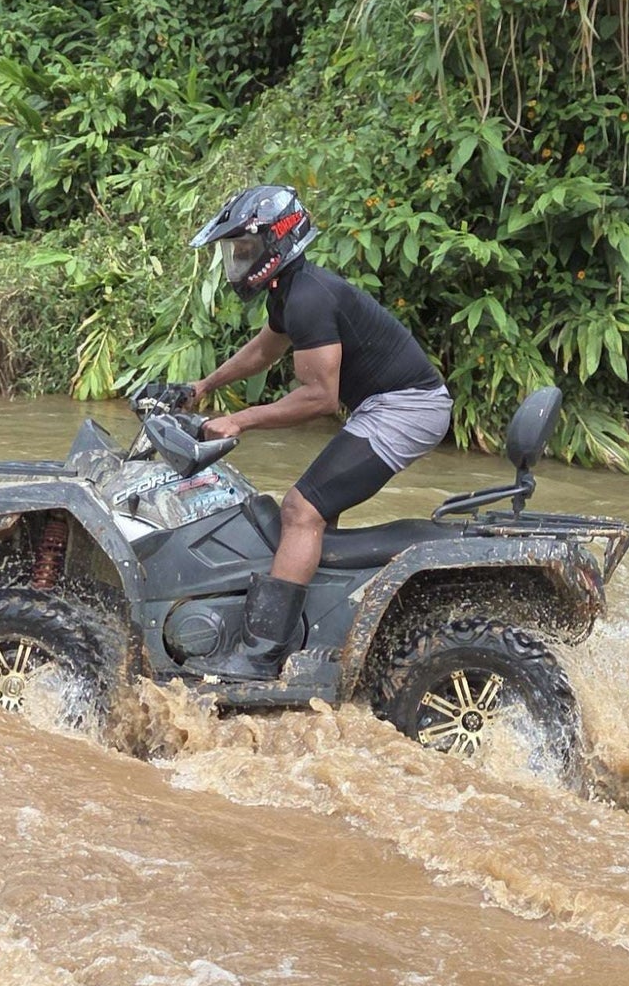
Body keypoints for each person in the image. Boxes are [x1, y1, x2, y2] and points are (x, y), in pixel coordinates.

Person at [185, 184, 452, 681]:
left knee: (300, 509)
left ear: (277, 243)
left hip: (405, 408)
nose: (238, 261)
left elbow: (319, 398)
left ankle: (263, 652)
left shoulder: (309, 297)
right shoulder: (290, 291)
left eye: (245, 249)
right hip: (386, 405)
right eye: (234, 252)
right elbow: (264, 351)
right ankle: (316, 620)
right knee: (316, 506)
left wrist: (238, 419)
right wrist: (204, 384)